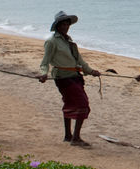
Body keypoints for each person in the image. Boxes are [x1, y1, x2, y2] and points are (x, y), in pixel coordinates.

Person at [38, 11, 102, 147]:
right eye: (62, 24)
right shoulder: (51, 41)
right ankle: (76, 138)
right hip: (62, 77)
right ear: (57, 26)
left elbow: (80, 61)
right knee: (83, 104)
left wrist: (91, 71)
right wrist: (43, 74)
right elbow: (45, 62)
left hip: (75, 76)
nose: (65, 26)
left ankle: (68, 135)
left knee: (69, 104)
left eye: (67, 24)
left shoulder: (69, 41)